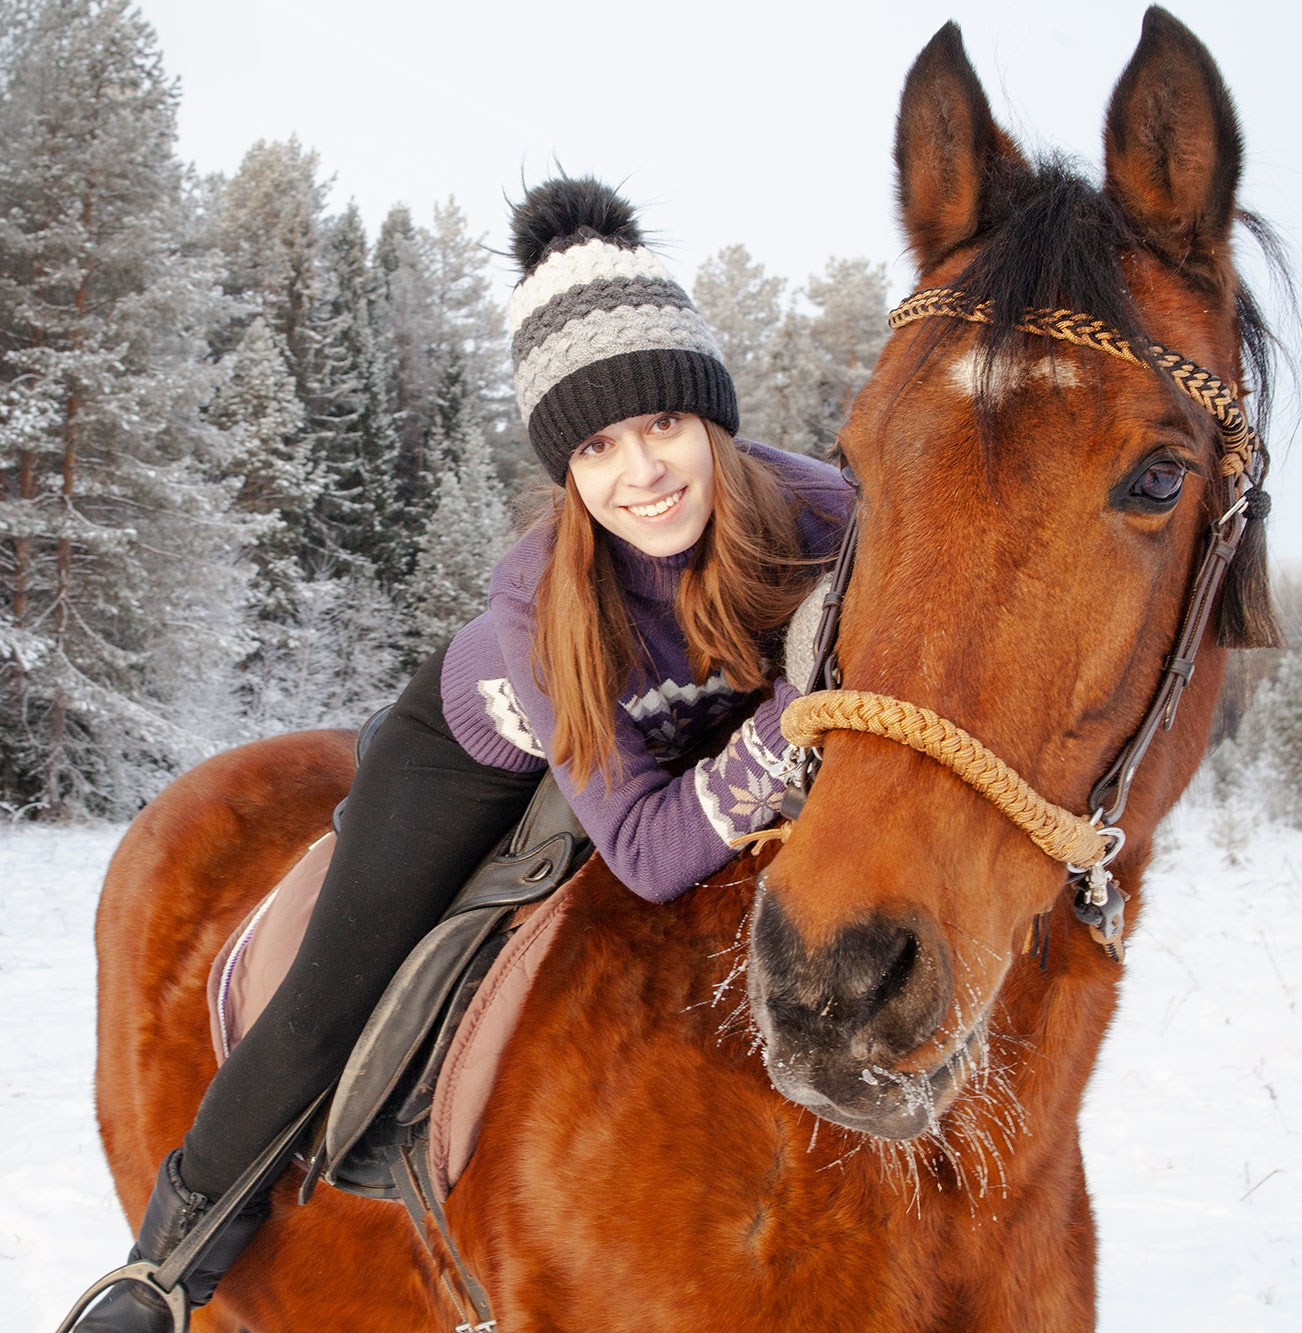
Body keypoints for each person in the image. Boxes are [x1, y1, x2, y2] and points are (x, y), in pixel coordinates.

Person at [76, 175, 854, 1330]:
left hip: (679, 741)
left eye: (662, 423)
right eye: (596, 446)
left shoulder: (819, 515)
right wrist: (797, 716)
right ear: (565, 473)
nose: (640, 472)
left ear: (710, 419)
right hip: (476, 752)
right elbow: (641, 849)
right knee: (332, 984)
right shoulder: (544, 601)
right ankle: (163, 1264)